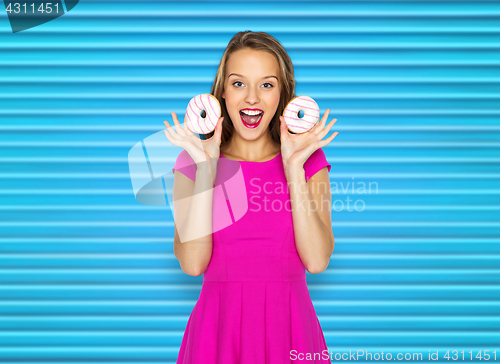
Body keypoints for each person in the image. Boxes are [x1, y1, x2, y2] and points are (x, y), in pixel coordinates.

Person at [163, 31, 338, 364]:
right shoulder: (193, 161)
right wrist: (206, 167)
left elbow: (316, 262)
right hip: (216, 334)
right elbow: (192, 263)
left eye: (267, 85)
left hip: (291, 330)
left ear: (284, 96)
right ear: (222, 93)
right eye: (239, 84)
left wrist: (294, 167)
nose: (252, 99)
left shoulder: (310, 161)